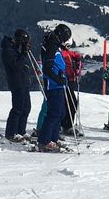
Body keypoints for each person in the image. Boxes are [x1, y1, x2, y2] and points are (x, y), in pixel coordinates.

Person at [36, 24, 71, 152]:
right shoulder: (51, 45)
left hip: (58, 84)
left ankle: (53, 139)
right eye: (65, 38)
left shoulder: (54, 43)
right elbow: (47, 68)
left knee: (60, 113)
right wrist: (58, 79)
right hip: (53, 85)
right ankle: (44, 141)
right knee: (54, 113)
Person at [1, 29, 33, 142]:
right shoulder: (8, 50)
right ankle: (11, 133)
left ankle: (21, 131)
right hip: (16, 83)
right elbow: (16, 66)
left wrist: (23, 51)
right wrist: (23, 52)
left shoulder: (14, 49)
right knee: (18, 108)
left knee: (26, 107)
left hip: (23, 82)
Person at [60, 42, 84, 136]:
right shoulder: (61, 53)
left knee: (72, 103)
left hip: (70, 81)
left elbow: (74, 56)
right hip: (64, 81)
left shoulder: (67, 52)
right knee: (69, 103)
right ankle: (65, 125)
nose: (69, 47)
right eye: (67, 45)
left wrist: (78, 60)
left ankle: (67, 125)